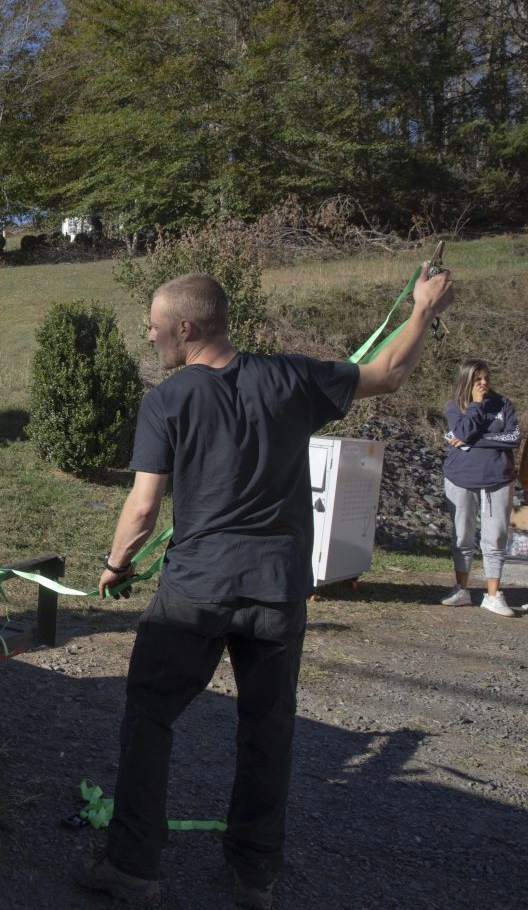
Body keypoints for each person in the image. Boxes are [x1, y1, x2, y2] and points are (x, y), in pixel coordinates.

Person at [76, 268, 454, 909]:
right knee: (267, 729)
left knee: (149, 718)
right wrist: (423, 309)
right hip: (277, 591)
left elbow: (142, 510)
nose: (150, 334)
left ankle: (133, 867)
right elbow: (389, 374)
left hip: (195, 589)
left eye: (155, 325)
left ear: (186, 329)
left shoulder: (167, 400)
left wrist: (115, 565)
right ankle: (255, 877)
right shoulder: (291, 377)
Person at [439, 359, 520, 616]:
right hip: (460, 478)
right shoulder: (454, 406)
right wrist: (475, 406)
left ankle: (494, 595)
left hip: (499, 479)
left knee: (495, 537)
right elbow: (461, 430)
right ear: (467, 381)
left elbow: (513, 438)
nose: (484, 383)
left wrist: (475, 440)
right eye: (478, 379)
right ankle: (461, 590)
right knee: (462, 536)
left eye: (486, 378)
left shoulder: (503, 404)